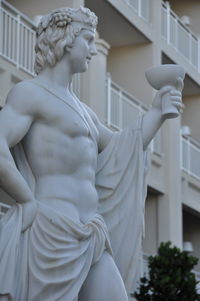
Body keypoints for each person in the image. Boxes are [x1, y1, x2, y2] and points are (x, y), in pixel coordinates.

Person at [0, 6, 183, 301]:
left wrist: (157, 112)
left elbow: (123, 150)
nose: (92, 50)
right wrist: (26, 200)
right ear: (66, 40)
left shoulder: (84, 111)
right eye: (87, 39)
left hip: (93, 233)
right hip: (51, 232)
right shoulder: (29, 93)